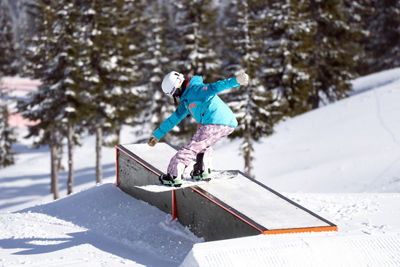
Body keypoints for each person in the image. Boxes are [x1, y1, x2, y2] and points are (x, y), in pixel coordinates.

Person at [148, 71, 249, 186]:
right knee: (202, 144)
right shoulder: (187, 100)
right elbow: (174, 119)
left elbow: (215, 87)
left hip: (216, 121)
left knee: (191, 147)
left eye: (175, 93)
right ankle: (202, 171)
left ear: (178, 86)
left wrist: (236, 81)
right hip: (224, 123)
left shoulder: (196, 90)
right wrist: (157, 135)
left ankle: (174, 175)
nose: (176, 96)